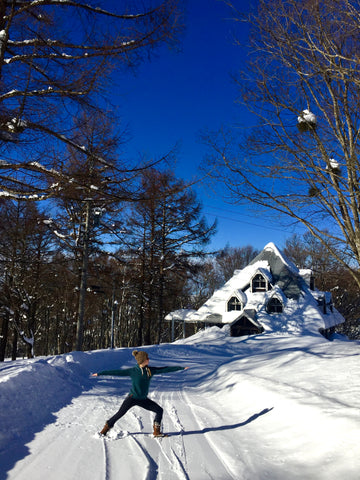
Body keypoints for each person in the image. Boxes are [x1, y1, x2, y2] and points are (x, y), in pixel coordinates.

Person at [92, 350, 188, 437]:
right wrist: (100, 373)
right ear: (142, 360)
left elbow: (164, 369)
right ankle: (104, 430)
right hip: (132, 398)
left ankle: (156, 432)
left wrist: (181, 368)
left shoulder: (150, 371)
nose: (148, 359)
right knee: (120, 413)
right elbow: (116, 372)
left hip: (143, 399)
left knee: (159, 410)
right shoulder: (133, 371)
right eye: (147, 358)